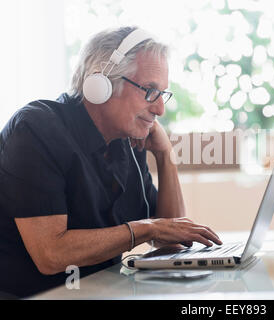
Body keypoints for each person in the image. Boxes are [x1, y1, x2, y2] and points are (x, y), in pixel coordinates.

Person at [0, 26, 222, 298]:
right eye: (149, 90)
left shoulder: (127, 139)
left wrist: (165, 157)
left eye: (163, 93)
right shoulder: (36, 129)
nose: (160, 109)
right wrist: (146, 228)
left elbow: (170, 240)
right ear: (101, 83)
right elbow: (51, 254)